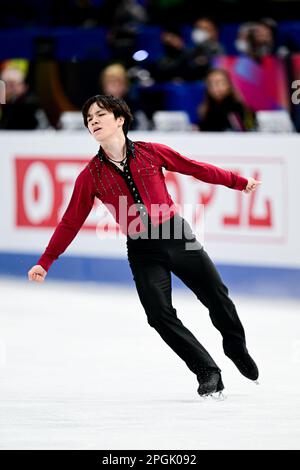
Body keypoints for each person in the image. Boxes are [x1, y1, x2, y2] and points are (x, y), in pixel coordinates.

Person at [28, 94, 260, 397]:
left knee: (218, 297)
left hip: (178, 237)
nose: (93, 121)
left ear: (120, 119)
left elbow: (195, 168)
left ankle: (235, 346)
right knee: (158, 315)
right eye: (88, 119)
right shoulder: (91, 176)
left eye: (100, 115)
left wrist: (237, 181)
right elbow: (70, 221)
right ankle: (206, 370)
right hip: (142, 249)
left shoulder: (152, 152)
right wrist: (45, 261)